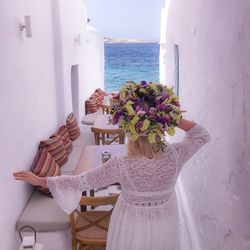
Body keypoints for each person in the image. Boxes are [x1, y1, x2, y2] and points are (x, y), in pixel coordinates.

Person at [13, 81, 210, 250]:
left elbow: (81, 181)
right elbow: (201, 135)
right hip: (165, 220)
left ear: (129, 129)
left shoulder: (121, 164)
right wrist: (168, 115)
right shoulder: (176, 155)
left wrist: (41, 180)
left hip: (132, 224)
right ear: (160, 126)